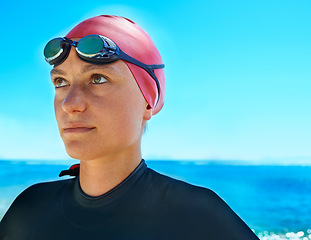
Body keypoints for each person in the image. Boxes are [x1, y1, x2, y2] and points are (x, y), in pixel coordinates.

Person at [0, 15, 259, 239]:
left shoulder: (200, 218)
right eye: (60, 82)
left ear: (148, 103)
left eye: (97, 79)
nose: (70, 103)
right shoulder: (29, 209)